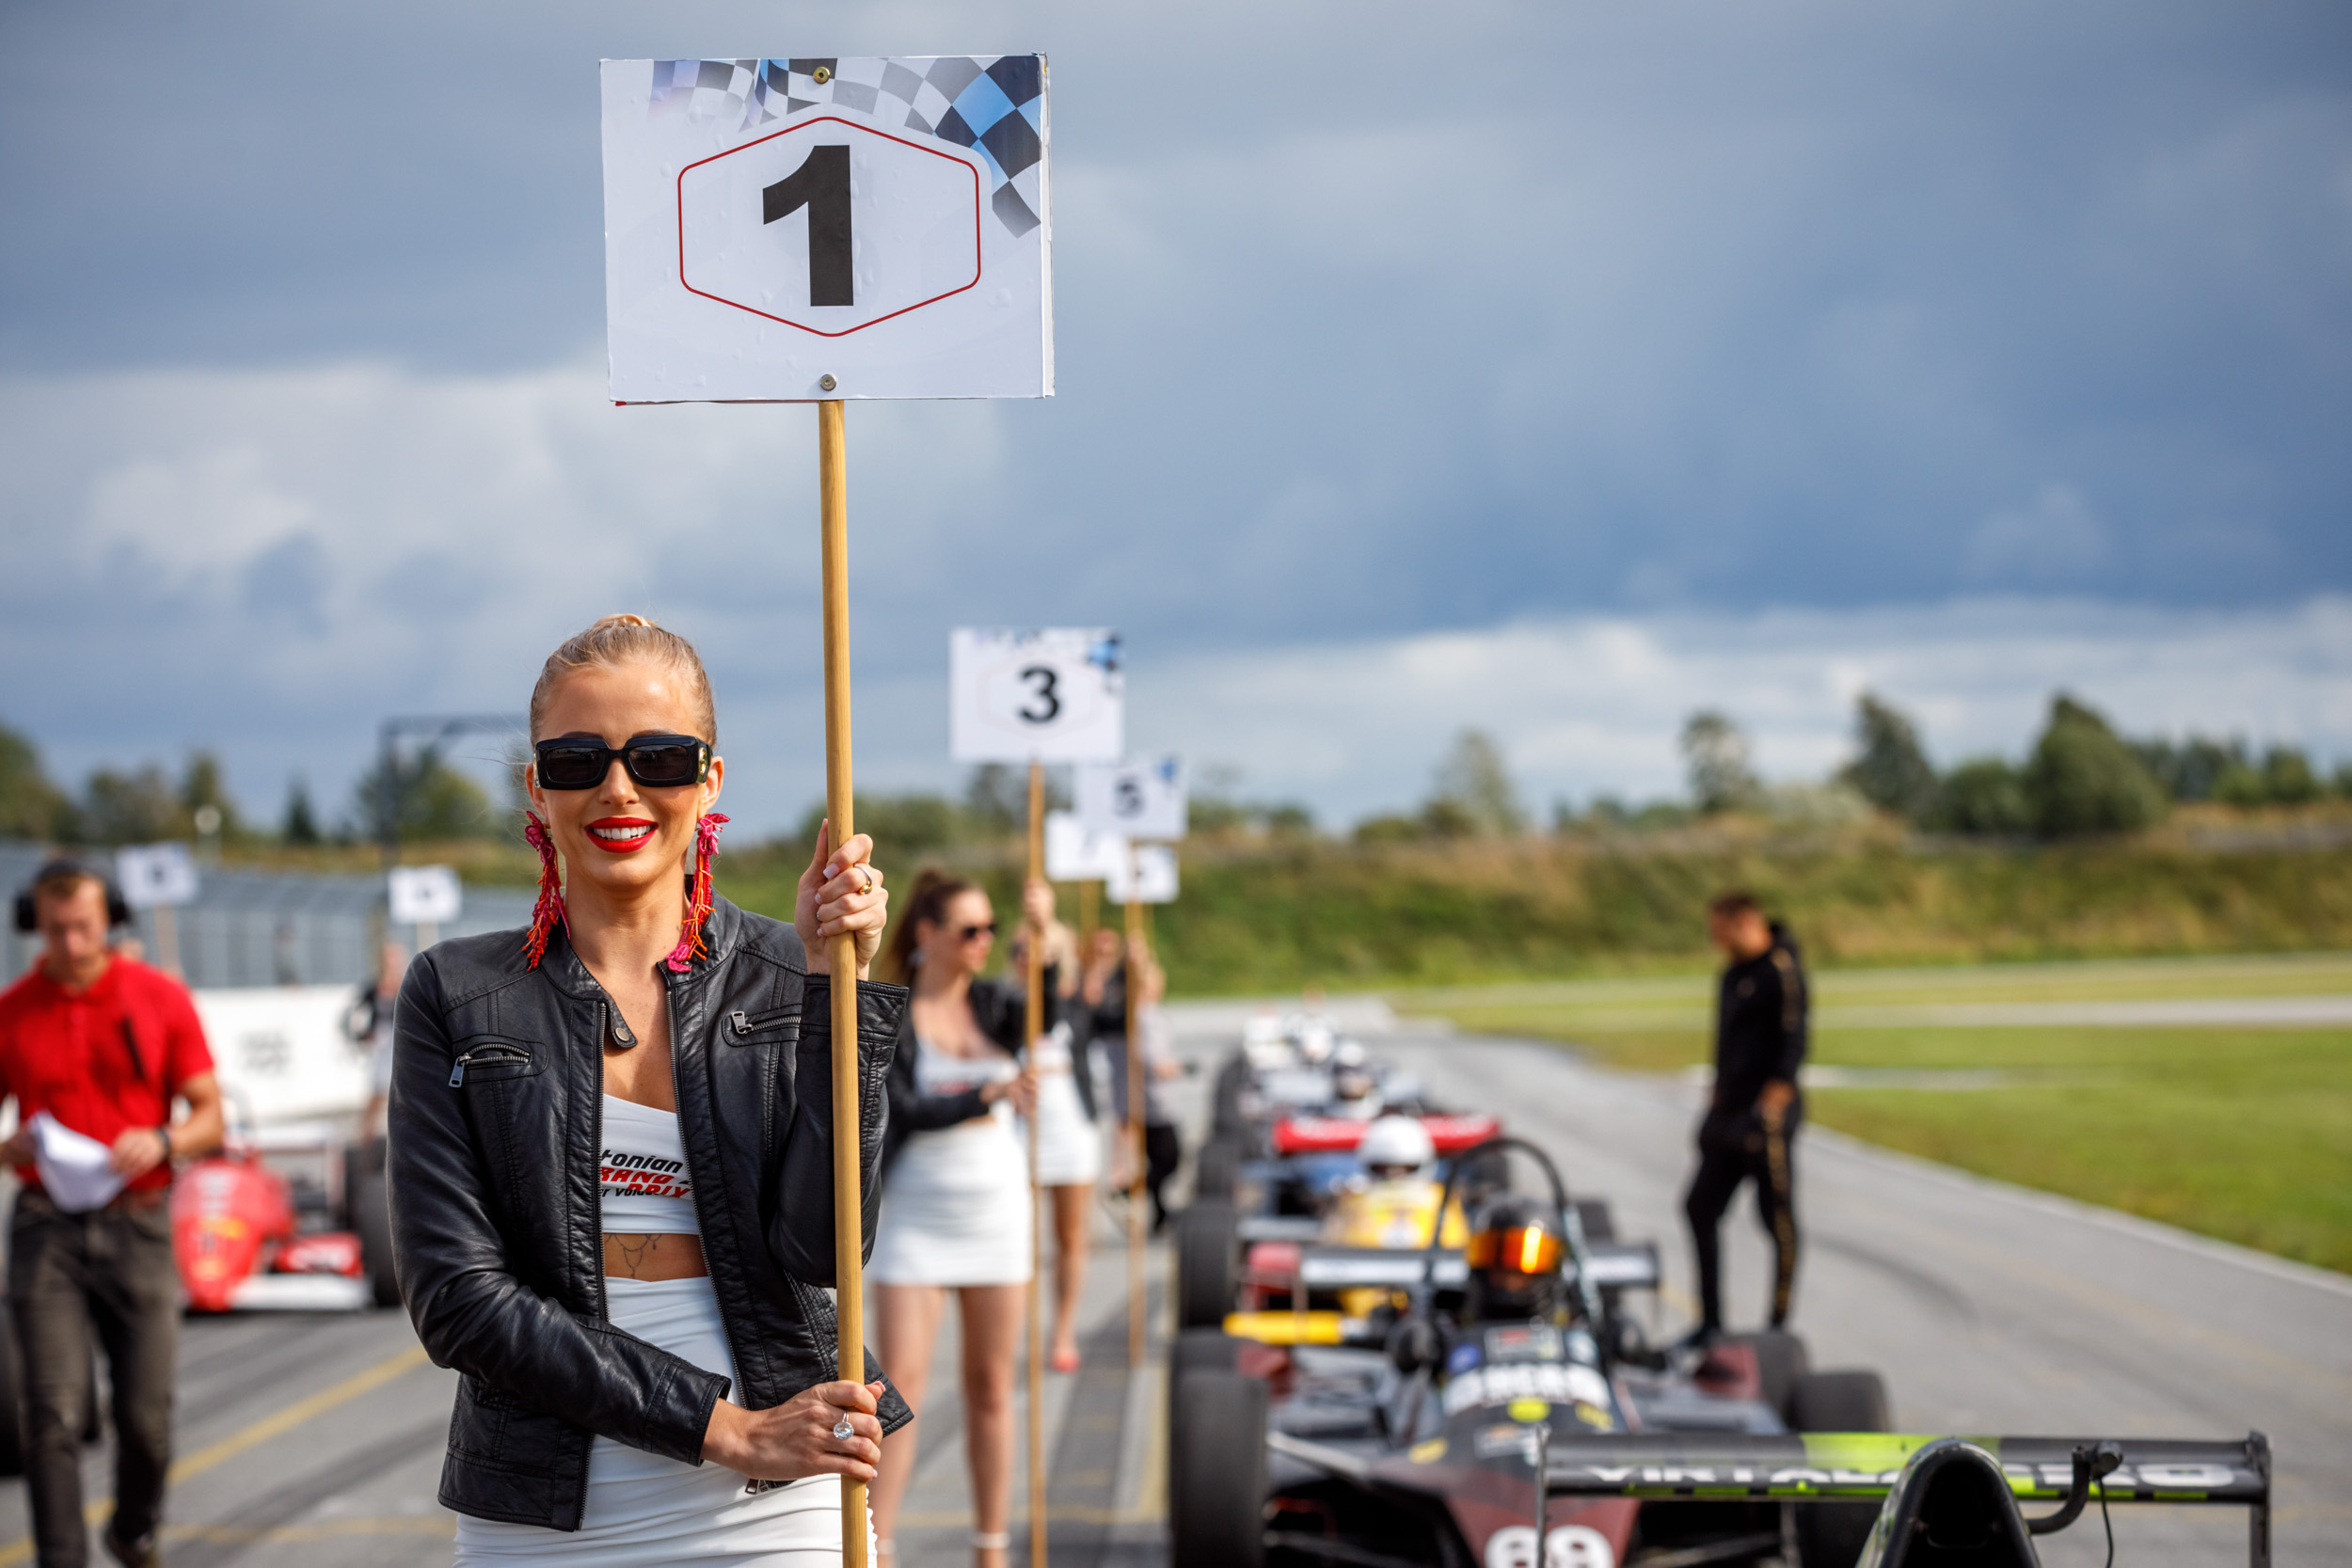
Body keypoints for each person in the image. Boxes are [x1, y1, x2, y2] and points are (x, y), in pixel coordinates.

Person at [388, 613, 904, 1563]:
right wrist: (721, 1427)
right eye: (577, 759)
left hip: (778, 1494)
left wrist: (841, 988)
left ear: (710, 778)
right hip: (545, 1510)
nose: (619, 788)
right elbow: (456, 1296)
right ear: (536, 786)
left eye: (659, 757)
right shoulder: (455, 992)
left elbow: (827, 1244)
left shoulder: (790, 971)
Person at [0, 857, 226, 1568]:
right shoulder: (13, 1010)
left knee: (145, 1418)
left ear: (112, 920)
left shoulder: (157, 997)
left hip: (138, 1220)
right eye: (55, 929)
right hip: (46, 1227)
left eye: (84, 927)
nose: (70, 944)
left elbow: (211, 1116)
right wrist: (8, 1146)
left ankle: (133, 1530)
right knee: (51, 1413)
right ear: (34, 924)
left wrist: (162, 1138)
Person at [866, 870, 1070, 1568]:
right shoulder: (891, 1010)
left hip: (996, 1217)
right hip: (915, 1220)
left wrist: (1042, 939)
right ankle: (878, 1544)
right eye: (970, 930)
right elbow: (902, 1109)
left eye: (991, 928)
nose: (984, 941)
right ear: (928, 934)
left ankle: (991, 1548)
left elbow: (1048, 1013)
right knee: (897, 1389)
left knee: (991, 1388)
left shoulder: (994, 1002)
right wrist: (987, 1094)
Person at [1681, 890, 1807, 1342]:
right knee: (1699, 1207)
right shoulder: (1732, 974)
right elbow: (1724, 1041)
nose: (1716, 940)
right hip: (1728, 1112)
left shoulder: (1781, 970)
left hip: (1763, 1117)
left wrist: (1774, 1099)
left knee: (1777, 1221)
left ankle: (1776, 1327)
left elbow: (1794, 1040)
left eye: (1720, 931)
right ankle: (1710, 1322)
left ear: (1744, 923)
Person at [1007, 911, 1097, 1375]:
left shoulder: (1076, 1006)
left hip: (1071, 1130)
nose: (1030, 959)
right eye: (1022, 951)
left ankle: (1063, 1329)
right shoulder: (1004, 1005)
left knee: (1071, 1235)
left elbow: (1120, 1015)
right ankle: (1016, 1328)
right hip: (1020, 1131)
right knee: (1017, 1235)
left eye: (1044, 953)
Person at [1083, 931, 1180, 1231]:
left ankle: (1158, 1211)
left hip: (1133, 1096)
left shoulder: (1132, 1011)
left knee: (1151, 1158)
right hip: (1143, 1098)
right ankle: (1126, 1191)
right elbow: (1148, 1058)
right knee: (1164, 1157)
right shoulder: (1133, 1013)